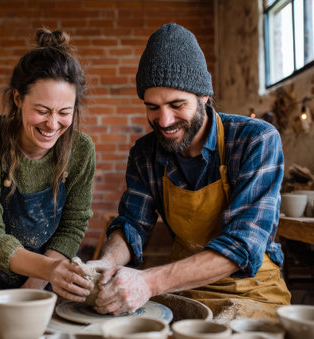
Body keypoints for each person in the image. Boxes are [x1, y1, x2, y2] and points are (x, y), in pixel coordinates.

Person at [88, 23, 291, 322]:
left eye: (176, 104)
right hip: (184, 289)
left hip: (252, 292)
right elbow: (131, 224)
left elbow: (242, 244)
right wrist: (105, 264)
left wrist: (148, 282)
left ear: (204, 97)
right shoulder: (146, 153)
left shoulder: (256, 140)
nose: (164, 120)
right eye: (152, 107)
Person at [0, 28, 95, 334]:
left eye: (64, 112)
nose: (52, 124)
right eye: (42, 111)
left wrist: (39, 281)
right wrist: (48, 270)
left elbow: (72, 225)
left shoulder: (81, 151)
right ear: (18, 98)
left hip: (50, 275)